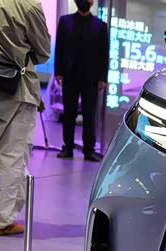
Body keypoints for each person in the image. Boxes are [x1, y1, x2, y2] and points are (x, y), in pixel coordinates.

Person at [0, 0, 51, 236]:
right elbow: (43, 51)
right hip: (16, 87)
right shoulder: (27, 5)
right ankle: (0, 220)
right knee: (12, 154)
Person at [55, 0, 108, 161]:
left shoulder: (100, 26)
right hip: (69, 76)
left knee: (89, 114)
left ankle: (89, 149)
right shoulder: (65, 21)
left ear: (91, 3)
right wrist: (58, 72)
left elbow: (104, 54)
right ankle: (68, 147)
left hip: (91, 78)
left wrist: (102, 78)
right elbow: (59, 48)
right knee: (69, 113)